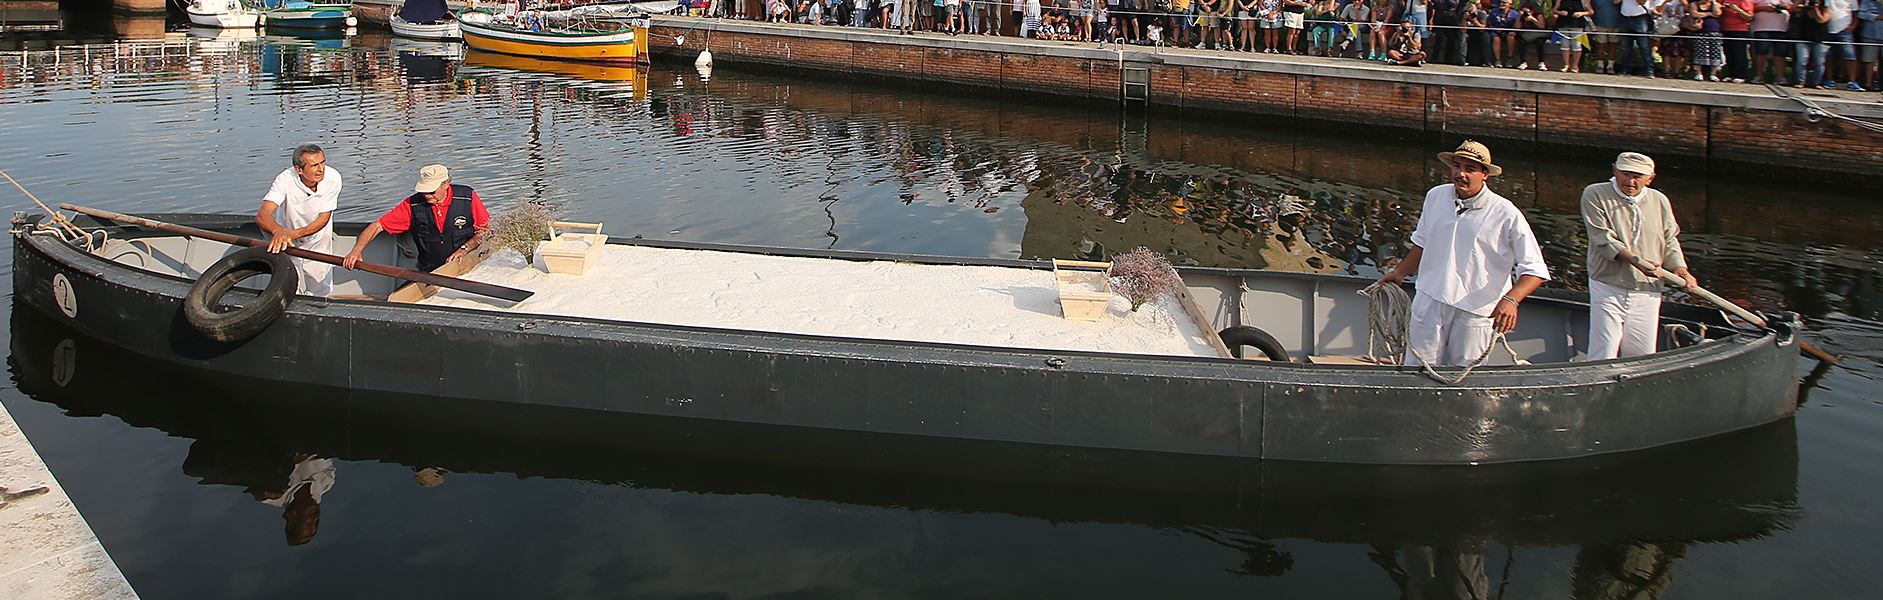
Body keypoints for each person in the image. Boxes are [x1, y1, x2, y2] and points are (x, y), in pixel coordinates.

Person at [1376, 140, 1550, 366]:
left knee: (1465, 375)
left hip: (1475, 310)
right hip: (1430, 297)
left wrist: (1511, 300)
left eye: (1470, 169)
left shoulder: (1506, 213)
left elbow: (1534, 269)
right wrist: (1399, 272)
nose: (1461, 174)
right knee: (1417, 368)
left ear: (1485, 174)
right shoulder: (1436, 196)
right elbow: (1422, 243)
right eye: (1457, 166)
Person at [1580, 152, 1696, 360]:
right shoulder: (1595, 193)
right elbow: (1603, 238)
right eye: (1624, 174)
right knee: (1604, 348)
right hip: (1608, 283)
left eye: (1637, 177)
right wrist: (1635, 261)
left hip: (1648, 288)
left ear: (1650, 179)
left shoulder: (1659, 200)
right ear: (1614, 170)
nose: (1629, 181)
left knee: (1642, 353)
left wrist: (1680, 270)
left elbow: (1670, 239)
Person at [342, 164, 491, 273]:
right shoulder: (412, 204)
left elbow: (484, 231)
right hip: (430, 271)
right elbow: (377, 226)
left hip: (468, 264)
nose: (426, 195)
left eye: (431, 191)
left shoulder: (468, 197)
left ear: (445, 184)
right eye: (423, 191)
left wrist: (464, 249)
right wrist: (356, 250)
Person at [257, 143, 340, 298]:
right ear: (299, 169)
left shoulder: (333, 178)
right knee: (289, 284)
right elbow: (263, 214)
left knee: (320, 288)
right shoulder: (284, 179)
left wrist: (294, 233)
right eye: (314, 165)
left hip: (318, 238)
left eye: (323, 162)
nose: (321, 169)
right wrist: (279, 232)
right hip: (286, 241)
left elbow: (323, 218)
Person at [1557, 0, 1594, 71]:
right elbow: (1555, 10)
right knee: (1565, 45)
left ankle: (1575, 65)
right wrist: (1560, 12)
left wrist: (1581, 13)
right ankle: (1566, 65)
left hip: (1578, 24)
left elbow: (1591, 12)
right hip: (1563, 23)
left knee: (1577, 45)